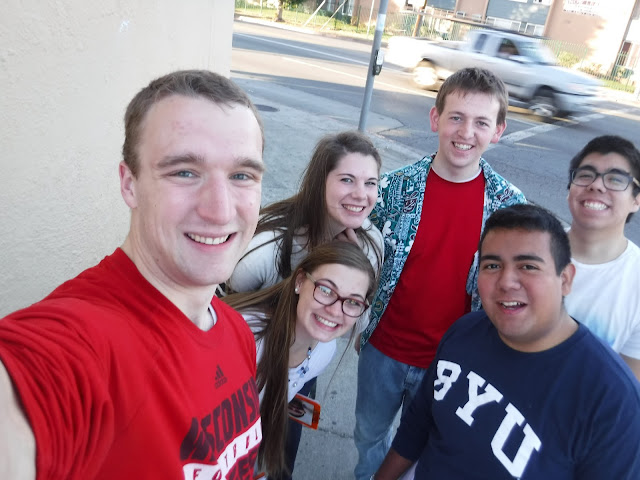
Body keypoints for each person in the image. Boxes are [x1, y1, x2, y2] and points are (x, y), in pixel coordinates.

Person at [0, 70, 266, 478]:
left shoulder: (236, 332)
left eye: (241, 176)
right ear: (129, 184)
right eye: (184, 172)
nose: (220, 209)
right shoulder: (85, 342)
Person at [373, 204, 640, 480]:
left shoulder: (612, 401)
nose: (506, 282)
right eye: (492, 265)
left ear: (565, 279)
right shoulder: (465, 331)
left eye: (528, 266)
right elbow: (417, 425)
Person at [354, 67, 526, 480]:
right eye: (456, 117)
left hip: (453, 365)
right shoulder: (393, 190)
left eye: (481, 122)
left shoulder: (509, 207)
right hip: (383, 351)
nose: (466, 132)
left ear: (498, 131)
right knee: (369, 440)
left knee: (430, 453)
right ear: (435, 119)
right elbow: (356, 252)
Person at [224, 241, 376, 479]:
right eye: (326, 290)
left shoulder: (324, 351)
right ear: (300, 281)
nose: (335, 311)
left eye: (353, 302)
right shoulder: (242, 337)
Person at [228, 130, 383, 312]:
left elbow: (356, 325)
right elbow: (218, 314)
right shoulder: (265, 251)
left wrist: (354, 268)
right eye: (347, 180)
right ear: (320, 183)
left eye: (370, 183)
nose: (361, 195)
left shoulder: (370, 245)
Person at [564, 135, 640, 380]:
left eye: (616, 179)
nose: (596, 185)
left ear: (636, 200)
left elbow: (627, 388)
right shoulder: (531, 249)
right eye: (586, 175)